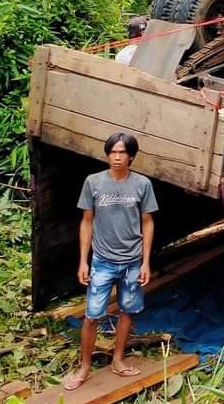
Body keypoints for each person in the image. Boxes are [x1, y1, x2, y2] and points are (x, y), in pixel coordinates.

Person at [63, 132, 158, 390]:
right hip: (102, 261)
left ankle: (117, 360)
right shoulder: (93, 182)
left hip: (132, 262)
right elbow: (86, 221)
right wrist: (83, 261)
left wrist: (145, 262)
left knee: (127, 311)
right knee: (92, 316)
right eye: (113, 152)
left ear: (131, 157)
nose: (117, 157)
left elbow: (148, 223)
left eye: (122, 153)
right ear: (107, 154)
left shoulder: (142, 185)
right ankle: (84, 368)